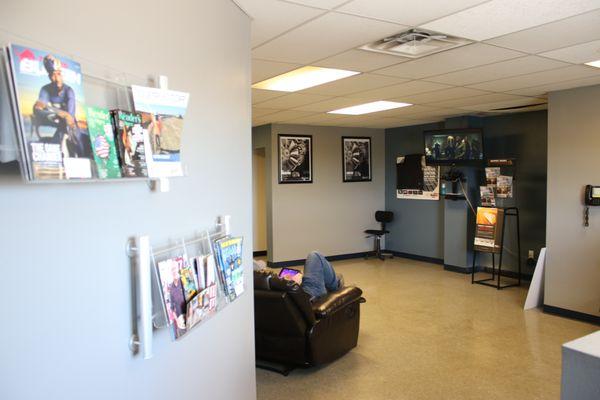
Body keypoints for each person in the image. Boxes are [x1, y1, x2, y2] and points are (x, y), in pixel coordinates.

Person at [33, 54, 87, 157]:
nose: (57, 78)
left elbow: (69, 118)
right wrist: (59, 113)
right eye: (53, 75)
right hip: (57, 123)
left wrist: (48, 108)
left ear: (62, 75)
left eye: (59, 74)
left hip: (70, 126)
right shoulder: (45, 89)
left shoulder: (69, 91)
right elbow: (38, 109)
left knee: (78, 142)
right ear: (49, 77)